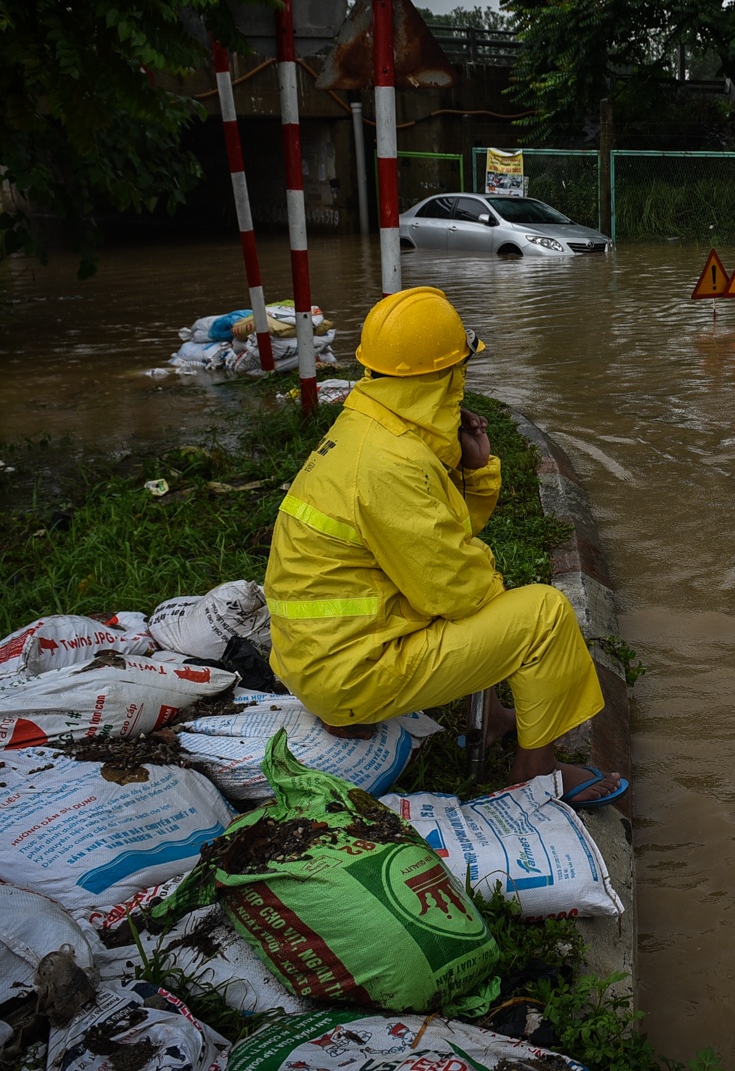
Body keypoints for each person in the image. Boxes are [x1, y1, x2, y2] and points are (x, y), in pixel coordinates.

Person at [262, 285, 627, 808]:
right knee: (542, 615)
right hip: (351, 672)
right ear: (446, 375)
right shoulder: (392, 463)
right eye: (460, 367)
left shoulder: (369, 429)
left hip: (319, 656)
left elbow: (438, 538)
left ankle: (493, 718)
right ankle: (536, 774)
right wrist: (496, 592)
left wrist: (473, 472)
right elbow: (458, 589)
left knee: (480, 600)